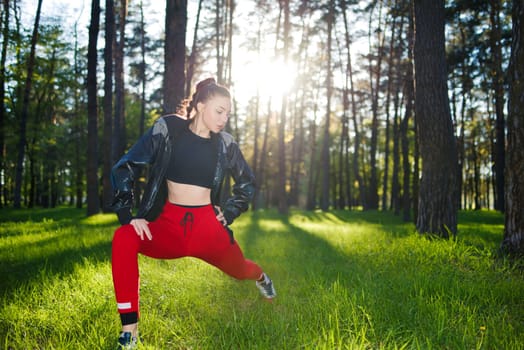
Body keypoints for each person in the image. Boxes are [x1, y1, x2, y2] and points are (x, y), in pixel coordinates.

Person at [110, 77, 276, 349]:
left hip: (207, 229)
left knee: (241, 269)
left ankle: (262, 278)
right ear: (200, 105)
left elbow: (247, 183)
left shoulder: (225, 143)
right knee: (124, 237)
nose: (224, 119)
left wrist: (230, 211)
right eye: (219, 111)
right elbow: (125, 166)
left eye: (228, 114)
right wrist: (129, 215)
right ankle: (130, 332)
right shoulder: (168, 130)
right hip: (168, 226)